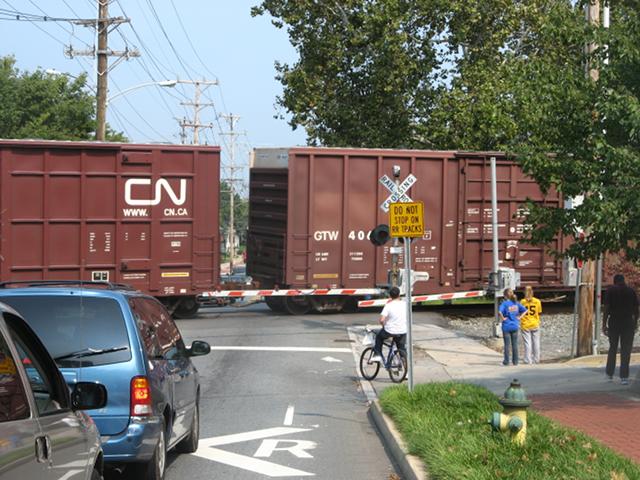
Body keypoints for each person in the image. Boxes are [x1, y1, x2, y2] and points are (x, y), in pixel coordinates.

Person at [603, 274, 639, 385]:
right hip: (628, 322)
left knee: (613, 348)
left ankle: (609, 374)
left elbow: (607, 308)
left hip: (614, 322)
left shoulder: (610, 291)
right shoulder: (631, 291)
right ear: (624, 281)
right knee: (626, 350)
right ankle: (624, 377)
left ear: (615, 281)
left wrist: (604, 324)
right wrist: (636, 322)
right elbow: (636, 309)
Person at [371, 286, 407, 362]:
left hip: (390, 330)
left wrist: (383, 325)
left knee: (379, 337)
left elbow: (381, 320)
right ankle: (404, 362)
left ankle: (377, 354)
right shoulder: (405, 304)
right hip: (402, 330)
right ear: (399, 295)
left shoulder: (388, 305)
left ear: (390, 295)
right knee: (401, 347)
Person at [499, 288, 526, 366]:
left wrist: (503, 318)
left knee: (507, 345)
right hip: (515, 326)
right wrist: (520, 317)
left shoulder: (504, 303)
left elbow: (499, 311)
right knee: (515, 344)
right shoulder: (516, 303)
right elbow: (525, 310)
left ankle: (506, 361)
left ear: (505, 296)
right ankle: (515, 362)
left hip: (506, 326)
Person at [520, 286, 542, 364]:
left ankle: (527, 359)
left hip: (525, 324)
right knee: (536, 342)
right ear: (532, 292)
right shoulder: (537, 301)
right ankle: (536, 359)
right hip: (535, 323)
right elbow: (539, 313)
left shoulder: (522, 302)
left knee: (527, 343)